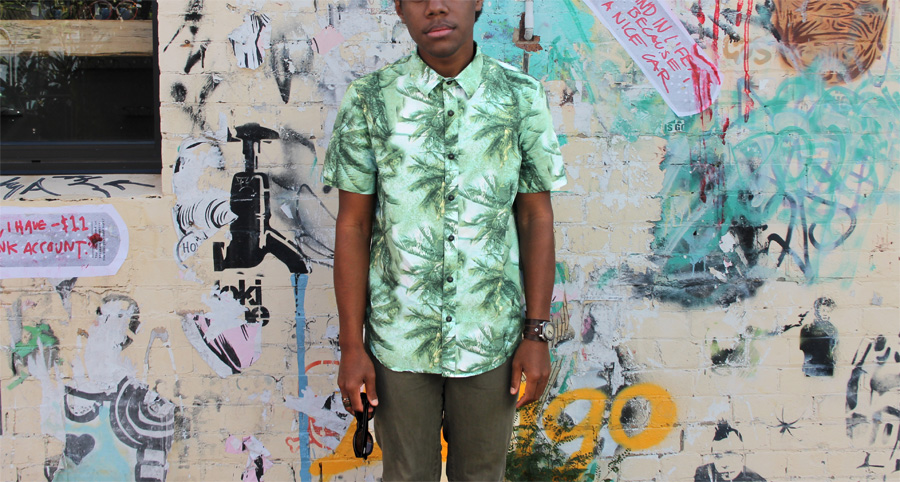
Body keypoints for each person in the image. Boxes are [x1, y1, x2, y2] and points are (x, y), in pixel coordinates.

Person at [323, 1, 566, 480]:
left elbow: (536, 217)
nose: (435, 6)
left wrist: (536, 334)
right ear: (399, 8)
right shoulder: (370, 99)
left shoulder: (520, 96)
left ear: (477, 1)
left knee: (482, 475)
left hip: (489, 339)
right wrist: (352, 346)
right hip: (398, 341)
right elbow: (352, 226)